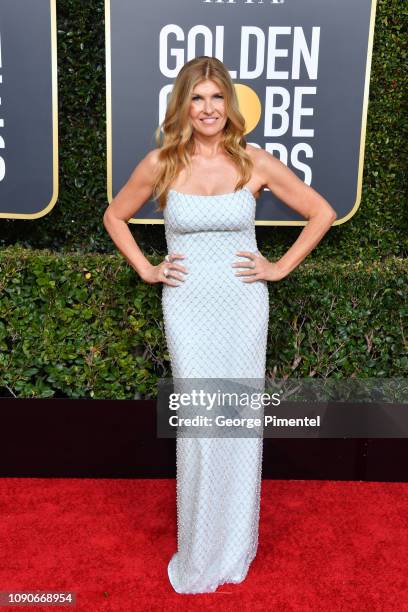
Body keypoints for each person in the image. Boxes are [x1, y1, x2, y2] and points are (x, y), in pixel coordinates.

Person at [103, 56, 337, 594]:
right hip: (187, 305)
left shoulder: (254, 162)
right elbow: (116, 215)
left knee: (234, 423)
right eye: (197, 98)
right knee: (200, 426)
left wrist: (277, 268)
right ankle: (200, 545)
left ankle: (231, 546)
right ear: (183, 105)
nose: (208, 109)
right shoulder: (161, 162)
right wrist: (147, 268)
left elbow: (320, 212)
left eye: (216, 97)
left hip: (241, 304)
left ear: (229, 104)